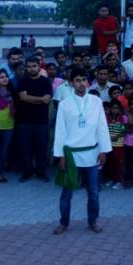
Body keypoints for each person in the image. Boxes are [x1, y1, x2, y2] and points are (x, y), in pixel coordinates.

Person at [52, 67, 111, 235]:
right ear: (71, 83)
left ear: (88, 82)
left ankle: (93, 221)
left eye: (83, 80)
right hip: (71, 154)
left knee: (93, 192)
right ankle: (64, 222)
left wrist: (104, 149)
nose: (81, 83)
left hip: (92, 152)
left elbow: (102, 127)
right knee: (67, 193)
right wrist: (60, 155)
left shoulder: (96, 101)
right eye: (77, 80)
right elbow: (60, 131)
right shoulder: (65, 104)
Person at [16, 57, 53, 182]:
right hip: (24, 121)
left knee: (41, 148)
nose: (31, 68)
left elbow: (47, 99)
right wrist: (40, 99)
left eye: (34, 66)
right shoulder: (22, 81)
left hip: (42, 121)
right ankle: (27, 172)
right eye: (29, 66)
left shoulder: (46, 81)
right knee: (25, 148)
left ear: (39, 67)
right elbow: (23, 98)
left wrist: (32, 98)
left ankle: (41, 172)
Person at [105, 99, 128, 189]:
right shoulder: (107, 118)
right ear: (110, 109)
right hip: (109, 145)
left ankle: (119, 181)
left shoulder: (122, 118)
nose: (115, 110)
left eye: (117, 108)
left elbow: (124, 131)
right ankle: (112, 179)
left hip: (119, 145)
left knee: (119, 163)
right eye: (113, 108)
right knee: (110, 163)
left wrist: (116, 137)